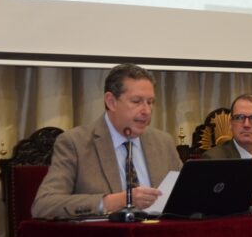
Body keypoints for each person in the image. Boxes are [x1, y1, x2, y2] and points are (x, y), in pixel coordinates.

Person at [31, 64, 182, 218]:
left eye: (150, 102)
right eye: (136, 101)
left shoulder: (163, 142)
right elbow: (44, 205)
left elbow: (186, 196)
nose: (147, 111)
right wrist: (117, 201)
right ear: (111, 102)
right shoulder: (75, 143)